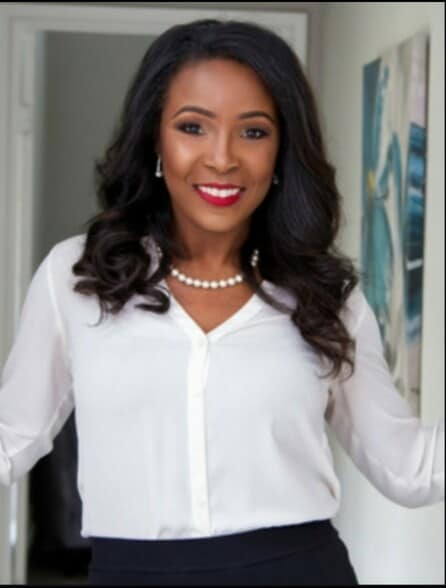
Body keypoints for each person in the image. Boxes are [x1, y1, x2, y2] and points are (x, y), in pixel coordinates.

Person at [0, 18, 444, 587]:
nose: (222, 158)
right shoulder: (77, 276)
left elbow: (408, 468)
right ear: (155, 139)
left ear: (282, 150)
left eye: (253, 132)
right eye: (193, 127)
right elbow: (11, 438)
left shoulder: (325, 297)